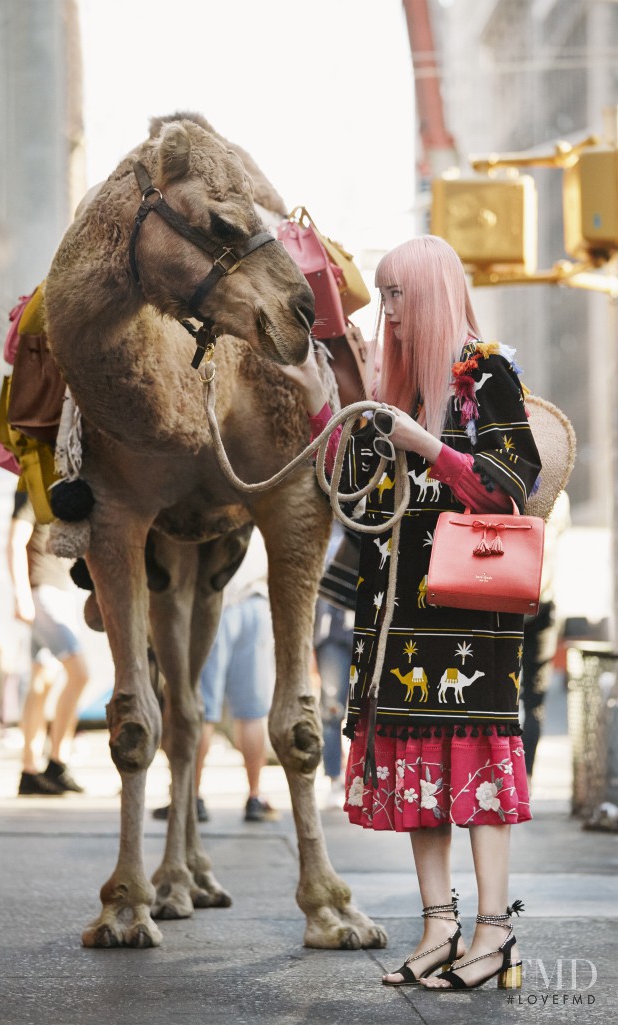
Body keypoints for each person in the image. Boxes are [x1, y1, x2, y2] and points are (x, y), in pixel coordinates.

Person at [282, 235, 541, 991]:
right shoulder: (393, 396)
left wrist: (427, 444)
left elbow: (506, 485)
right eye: (382, 296)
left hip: (469, 621)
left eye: (396, 295)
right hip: (395, 624)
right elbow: (349, 490)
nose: (386, 311)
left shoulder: (484, 374)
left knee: (476, 774)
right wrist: (342, 380)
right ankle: (439, 925)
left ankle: (494, 930)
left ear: (427, 294)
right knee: (423, 778)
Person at [153, 528, 277, 823]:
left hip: (215, 603)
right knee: (251, 713)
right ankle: (254, 797)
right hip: (256, 604)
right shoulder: (262, 493)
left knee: (203, 708)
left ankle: (190, 798)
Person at [8, 490, 90, 795]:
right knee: (80, 674)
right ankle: (57, 761)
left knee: (41, 681)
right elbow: (15, 541)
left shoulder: (62, 492)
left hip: (58, 591)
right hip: (43, 593)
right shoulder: (32, 492)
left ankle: (30, 771)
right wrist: (22, 595)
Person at [520, 489, 571, 783]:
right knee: (534, 702)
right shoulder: (559, 497)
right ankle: (526, 779)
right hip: (544, 602)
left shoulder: (511, 488)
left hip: (509, 601)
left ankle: (511, 777)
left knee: (502, 701)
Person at [313, 522, 355, 808]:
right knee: (331, 709)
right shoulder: (322, 535)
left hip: (365, 630)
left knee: (368, 710)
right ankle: (333, 777)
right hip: (331, 634)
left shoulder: (369, 521)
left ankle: (360, 778)